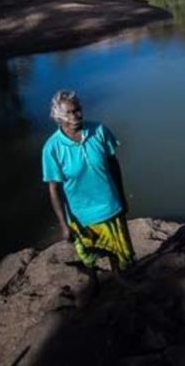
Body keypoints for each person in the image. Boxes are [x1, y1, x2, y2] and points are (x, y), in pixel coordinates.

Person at [42, 89, 135, 276]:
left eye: (78, 110)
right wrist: (63, 224)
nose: (77, 115)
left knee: (119, 254)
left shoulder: (99, 131)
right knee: (89, 257)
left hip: (110, 206)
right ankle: (94, 281)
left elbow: (114, 165)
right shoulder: (52, 148)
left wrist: (122, 198)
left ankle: (119, 277)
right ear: (58, 117)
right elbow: (54, 189)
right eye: (69, 112)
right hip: (81, 215)